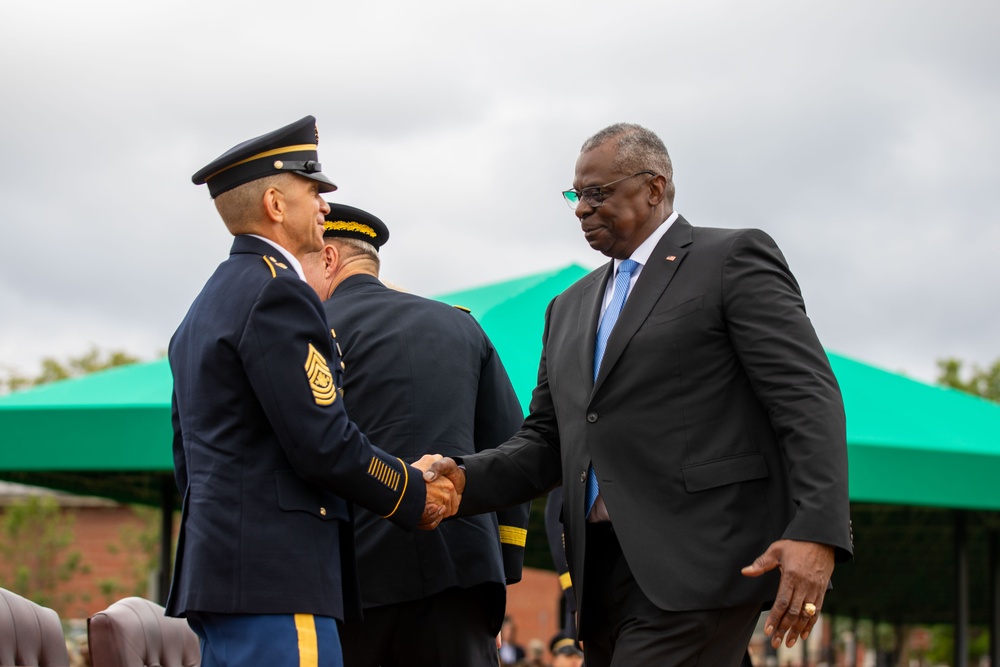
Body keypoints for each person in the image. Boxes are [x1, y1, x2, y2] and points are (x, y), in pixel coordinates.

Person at [426, 122, 853, 666]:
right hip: (599, 575)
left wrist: (817, 531)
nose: (581, 208)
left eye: (596, 193)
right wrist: (462, 479)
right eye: (575, 195)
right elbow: (546, 441)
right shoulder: (567, 308)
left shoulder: (731, 259)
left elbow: (805, 396)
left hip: (703, 560)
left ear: (655, 187)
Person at [167, 116, 454, 667]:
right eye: (314, 190)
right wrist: (411, 493)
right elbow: (323, 441)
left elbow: (189, 457)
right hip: (279, 580)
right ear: (276, 204)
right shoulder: (277, 295)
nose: (324, 205)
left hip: (226, 577)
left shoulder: (206, 305)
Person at [301, 203, 530, 667]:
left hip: (352, 578)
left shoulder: (309, 333)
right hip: (463, 575)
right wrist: (501, 569)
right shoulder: (462, 325)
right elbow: (511, 451)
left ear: (328, 258)